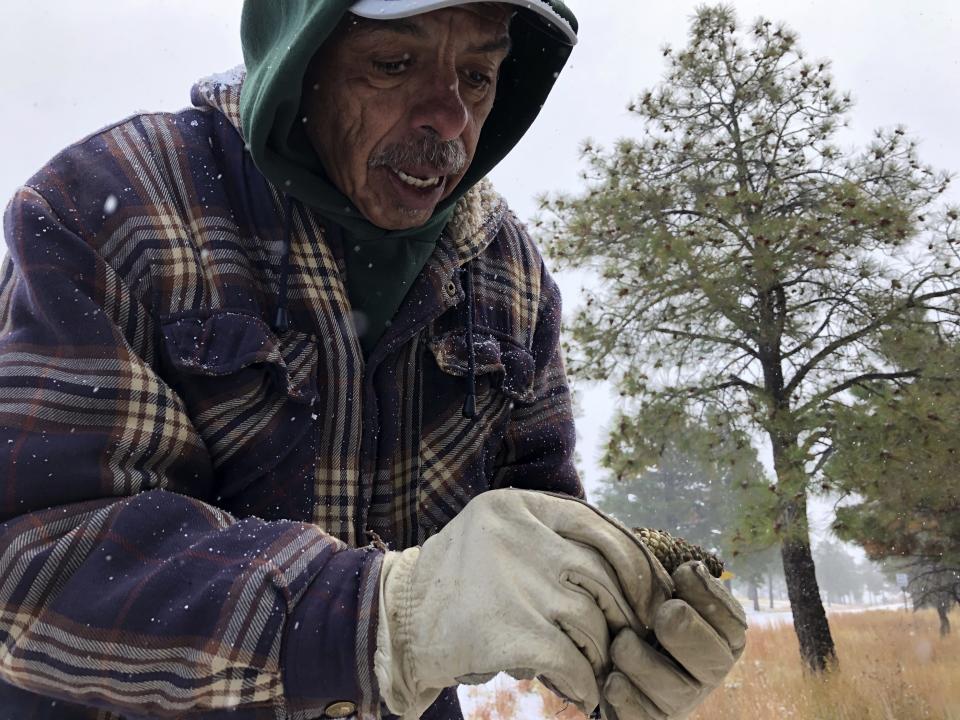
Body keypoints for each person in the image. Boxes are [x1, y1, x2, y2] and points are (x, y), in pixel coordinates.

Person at [0, 1, 746, 718]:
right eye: (394, 62)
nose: (449, 120)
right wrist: (386, 615)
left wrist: (621, 618)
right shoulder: (115, 206)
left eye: (479, 77)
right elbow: (34, 564)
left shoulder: (506, 273)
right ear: (301, 63)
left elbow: (534, 523)